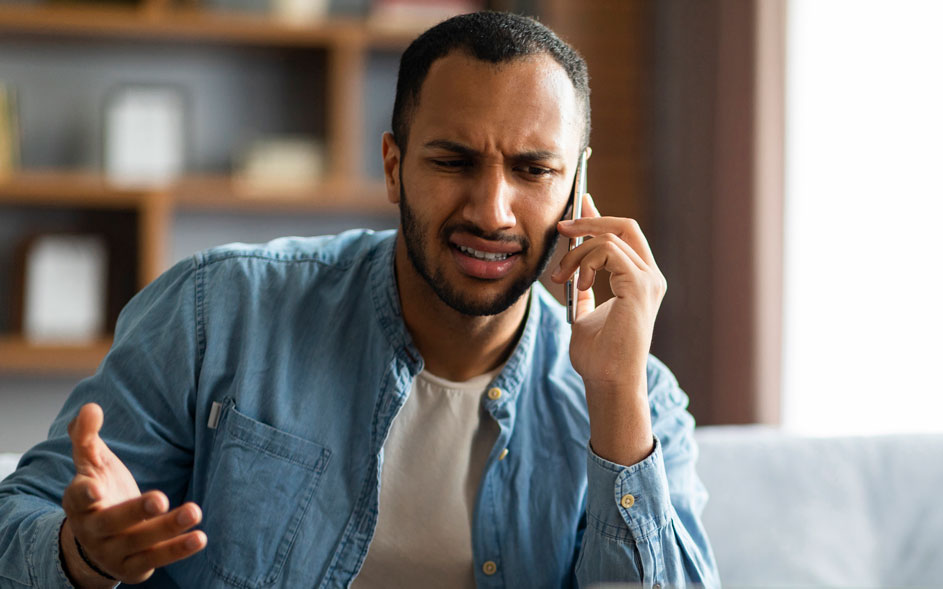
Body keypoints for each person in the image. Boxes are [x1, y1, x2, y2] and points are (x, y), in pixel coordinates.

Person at [0, 11, 718, 589]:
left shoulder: (641, 402)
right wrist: (83, 552)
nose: (493, 210)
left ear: (575, 187)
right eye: (453, 161)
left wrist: (617, 398)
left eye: (534, 169)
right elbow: (17, 518)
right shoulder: (217, 312)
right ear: (394, 167)